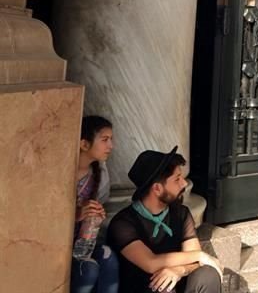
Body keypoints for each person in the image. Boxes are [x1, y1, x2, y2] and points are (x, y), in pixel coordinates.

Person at [107, 147, 222, 292]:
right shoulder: (123, 223)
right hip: (147, 289)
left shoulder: (181, 213)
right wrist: (200, 255)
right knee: (162, 286)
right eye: (177, 179)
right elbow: (151, 263)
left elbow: (195, 261)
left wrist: (179, 270)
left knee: (207, 275)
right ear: (157, 189)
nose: (184, 183)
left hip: (177, 285)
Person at [72, 116, 119, 293]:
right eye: (105, 139)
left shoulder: (99, 174)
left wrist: (96, 214)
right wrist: (76, 215)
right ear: (84, 144)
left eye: (111, 140)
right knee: (88, 269)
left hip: (82, 243)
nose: (111, 146)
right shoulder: (61, 171)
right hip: (56, 246)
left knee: (108, 257)